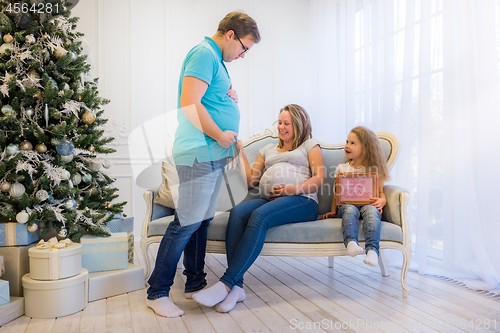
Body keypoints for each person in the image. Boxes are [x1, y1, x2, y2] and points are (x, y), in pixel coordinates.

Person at [146, 11, 260, 318]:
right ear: (231, 35)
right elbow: (189, 103)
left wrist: (228, 95)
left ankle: (194, 283)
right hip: (199, 152)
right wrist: (222, 135)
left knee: (201, 221)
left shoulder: (217, 60)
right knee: (186, 222)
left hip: (213, 154)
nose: (243, 55)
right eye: (244, 48)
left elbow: (206, 98)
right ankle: (157, 292)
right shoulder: (203, 53)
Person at [192, 104, 325, 313]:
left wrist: (291, 189)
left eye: (286, 123)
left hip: (303, 201)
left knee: (259, 216)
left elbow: (319, 178)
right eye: (279, 122)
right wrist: (241, 150)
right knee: (238, 212)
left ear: (298, 125)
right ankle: (237, 287)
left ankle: (226, 283)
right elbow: (251, 181)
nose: (281, 127)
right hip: (272, 201)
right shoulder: (268, 150)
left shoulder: (310, 145)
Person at [321, 126, 390, 267]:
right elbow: (336, 193)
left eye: (353, 143)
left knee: (371, 210)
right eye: (347, 142)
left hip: (368, 205)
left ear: (366, 148)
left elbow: (381, 193)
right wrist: (333, 211)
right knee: (350, 208)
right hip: (347, 206)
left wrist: (381, 201)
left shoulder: (374, 170)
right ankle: (351, 242)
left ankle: (372, 251)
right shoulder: (342, 168)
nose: (347, 146)